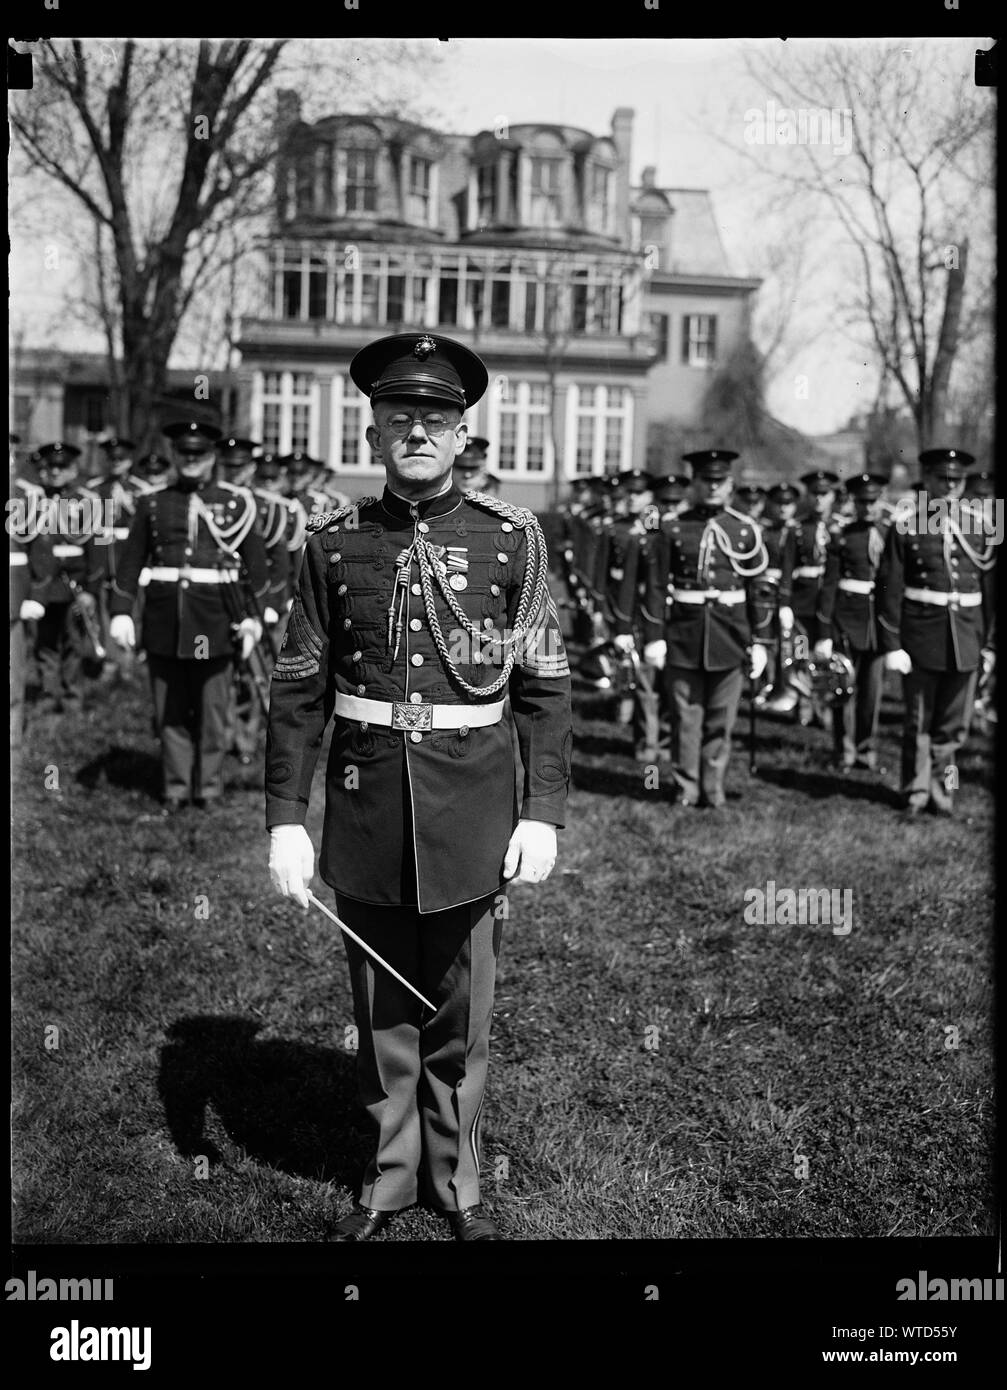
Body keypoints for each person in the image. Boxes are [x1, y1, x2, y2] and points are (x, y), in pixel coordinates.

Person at [265, 331, 572, 1242]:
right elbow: (298, 692)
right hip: (365, 798)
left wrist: (543, 812)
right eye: (399, 415)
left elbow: (544, 689)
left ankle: (458, 1181)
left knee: (459, 1011)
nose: (417, 430)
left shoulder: (511, 542)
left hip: (472, 804)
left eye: (434, 416)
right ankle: (389, 1176)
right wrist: (287, 818)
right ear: (371, 433)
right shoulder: (332, 544)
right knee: (381, 1006)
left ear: (462, 430)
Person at [108, 421, 269, 811]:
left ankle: (209, 789)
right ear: (175, 456)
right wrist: (121, 612)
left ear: (212, 457)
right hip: (166, 624)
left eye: (199, 454)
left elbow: (257, 570)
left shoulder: (236, 504)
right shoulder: (152, 503)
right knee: (171, 712)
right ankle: (177, 788)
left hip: (215, 624)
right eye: (185, 454)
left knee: (214, 715)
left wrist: (254, 618)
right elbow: (130, 563)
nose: (192, 461)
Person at [641, 450, 771, 808]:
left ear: (730, 484)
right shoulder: (672, 527)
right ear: (695, 484)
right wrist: (654, 639)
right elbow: (654, 585)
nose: (713, 488)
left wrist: (760, 641)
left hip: (730, 635)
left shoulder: (744, 530)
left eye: (720, 481)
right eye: (706, 481)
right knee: (685, 715)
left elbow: (757, 590)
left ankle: (713, 786)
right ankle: (687, 785)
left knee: (721, 717)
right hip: (684, 633)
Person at [876, 447, 996, 816]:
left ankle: (945, 793)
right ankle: (915, 792)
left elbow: (990, 593)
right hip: (921, 637)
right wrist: (892, 643)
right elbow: (889, 588)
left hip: (967, 638)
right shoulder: (906, 525)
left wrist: (990, 644)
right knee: (918, 722)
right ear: (926, 480)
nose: (948, 486)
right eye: (941, 478)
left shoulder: (982, 527)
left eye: (956, 480)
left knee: (954, 730)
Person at [815, 473, 890, 771]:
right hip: (847, 619)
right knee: (843, 688)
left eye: (873, 501)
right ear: (853, 502)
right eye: (862, 501)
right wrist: (824, 631)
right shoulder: (842, 536)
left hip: (878, 622)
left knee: (872, 693)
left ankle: (865, 750)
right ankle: (843, 751)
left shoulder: (891, 533)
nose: (868, 507)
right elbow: (829, 586)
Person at [31, 442, 105, 713]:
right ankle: (48, 693)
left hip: (75, 580)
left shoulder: (87, 502)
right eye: (50, 466)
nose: (55, 472)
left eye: (62, 466)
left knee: (74, 640)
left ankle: (73, 695)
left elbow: (97, 549)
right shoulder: (33, 501)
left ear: (73, 470)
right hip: (44, 583)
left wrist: (91, 589)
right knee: (45, 641)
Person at [753, 482, 798, 709]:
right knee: (767, 640)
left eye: (788, 503)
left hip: (794, 595)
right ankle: (768, 686)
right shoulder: (763, 531)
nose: (783, 508)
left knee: (798, 644)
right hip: (766, 592)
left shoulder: (797, 531)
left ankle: (796, 691)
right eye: (779, 503)